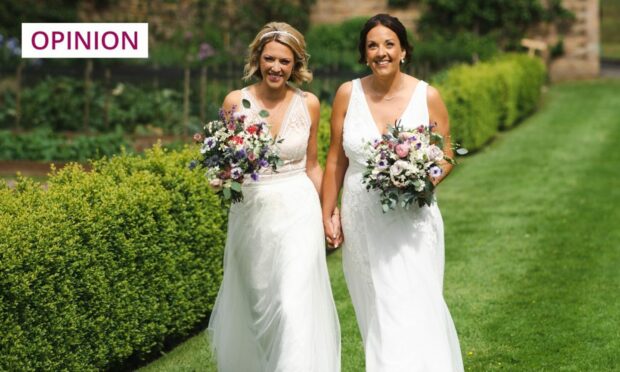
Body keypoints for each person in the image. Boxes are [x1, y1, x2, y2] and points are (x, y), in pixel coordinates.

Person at [321, 14, 464, 371]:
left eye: (389, 44)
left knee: (412, 300)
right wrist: (329, 212)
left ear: (403, 50)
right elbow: (335, 159)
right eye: (372, 45)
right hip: (361, 217)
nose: (381, 52)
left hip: (412, 217)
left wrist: (421, 179)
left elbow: (446, 153)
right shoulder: (346, 94)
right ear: (364, 54)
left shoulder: (426, 95)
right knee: (376, 307)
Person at [207, 22, 340, 371]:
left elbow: (312, 165)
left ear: (296, 64)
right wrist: (220, 177)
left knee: (292, 302)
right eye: (269, 59)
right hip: (252, 213)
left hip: (299, 209)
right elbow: (223, 161)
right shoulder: (236, 101)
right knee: (260, 304)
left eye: (284, 61)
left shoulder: (309, 104)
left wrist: (329, 212)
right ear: (257, 58)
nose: (276, 67)